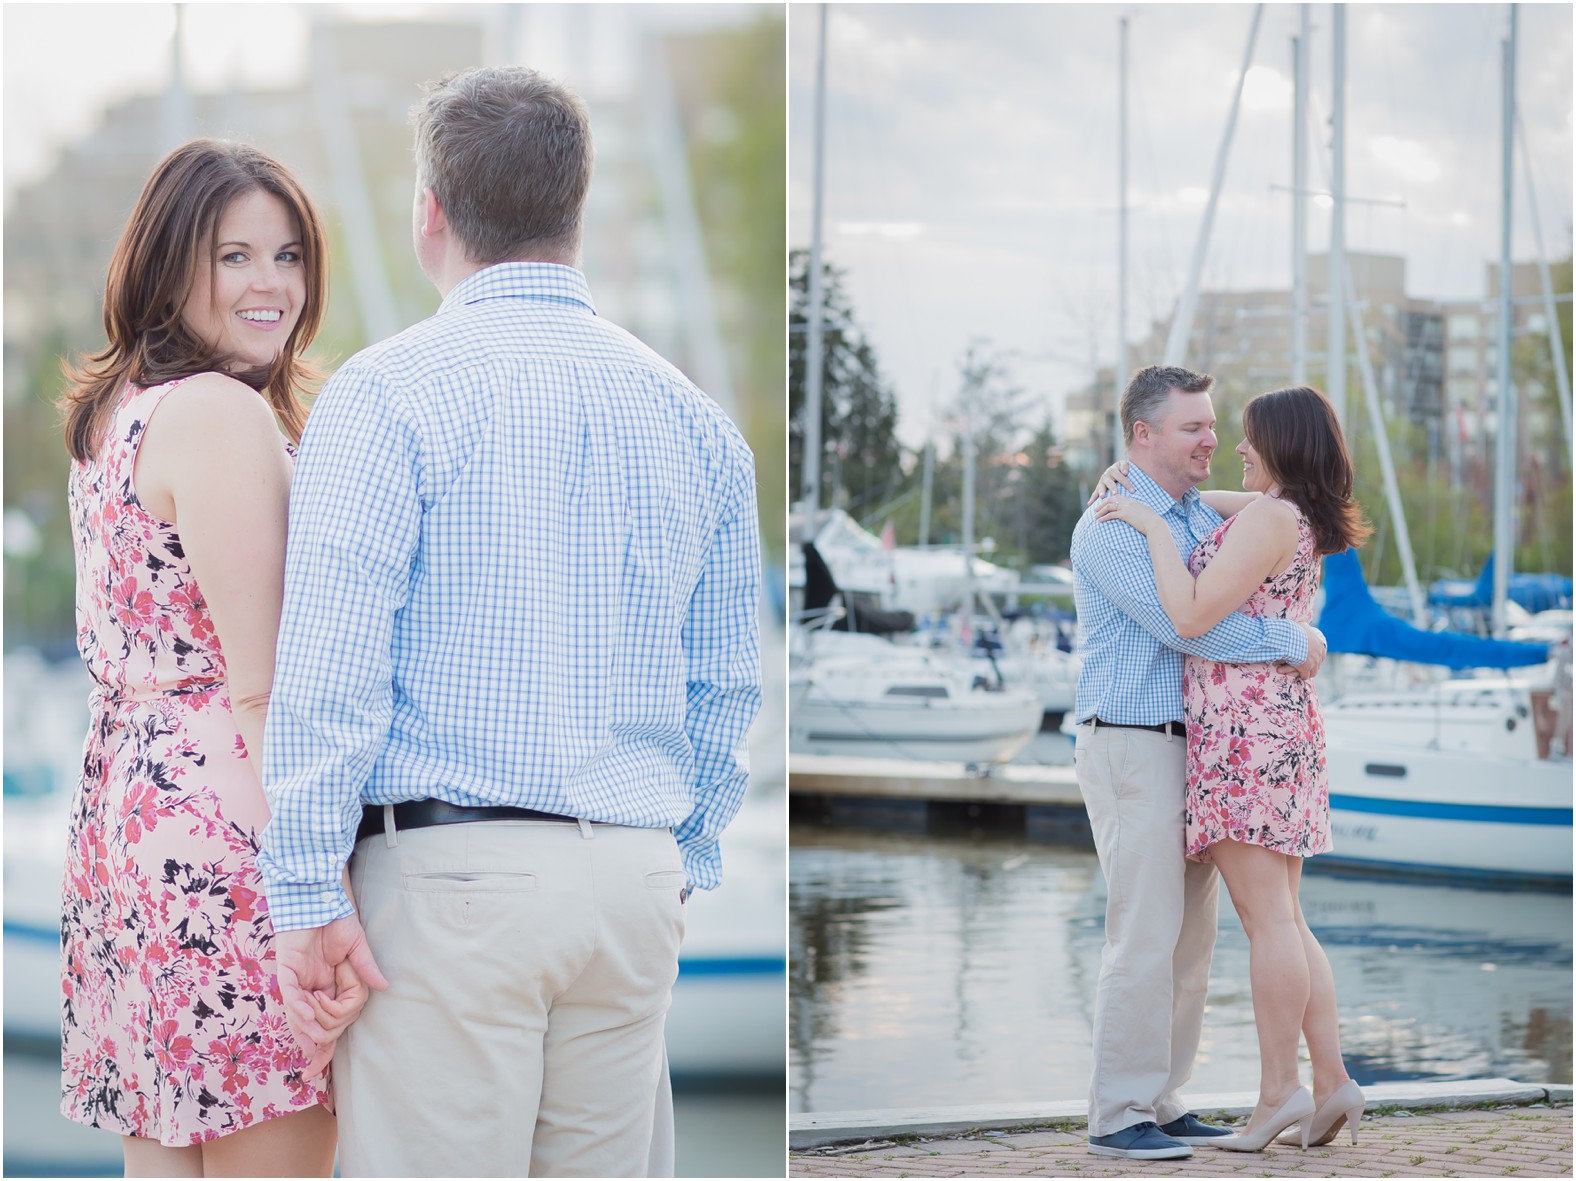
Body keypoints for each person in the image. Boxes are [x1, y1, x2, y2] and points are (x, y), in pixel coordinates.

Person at [255, 65, 762, 1178]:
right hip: (629, 883)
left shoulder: (387, 392)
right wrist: (679, 855)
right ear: (576, 207)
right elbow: (727, 684)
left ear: (431, 214)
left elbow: (331, 672)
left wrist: (301, 890)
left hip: (452, 881)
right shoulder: (700, 422)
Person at [58, 139, 368, 1178]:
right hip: (229, 833)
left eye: (287, 256)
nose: (270, 284)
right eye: (234, 256)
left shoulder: (113, 420)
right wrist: (312, 885)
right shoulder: (220, 413)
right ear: (169, 262)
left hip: (131, 821)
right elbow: (264, 680)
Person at [1093, 384, 1371, 1152]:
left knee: (1268, 921)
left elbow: (1186, 617)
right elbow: (1205, 495)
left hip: (1243, 730)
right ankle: (1333, 1076)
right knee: (1286, 916)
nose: (1234, 448)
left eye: (1247, 438)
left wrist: (1148, 519)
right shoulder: (1284, 513)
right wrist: (1145, 483)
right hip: (1272, 725)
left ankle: (1277, 1093)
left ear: (1280, 447)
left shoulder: (1270, 519)